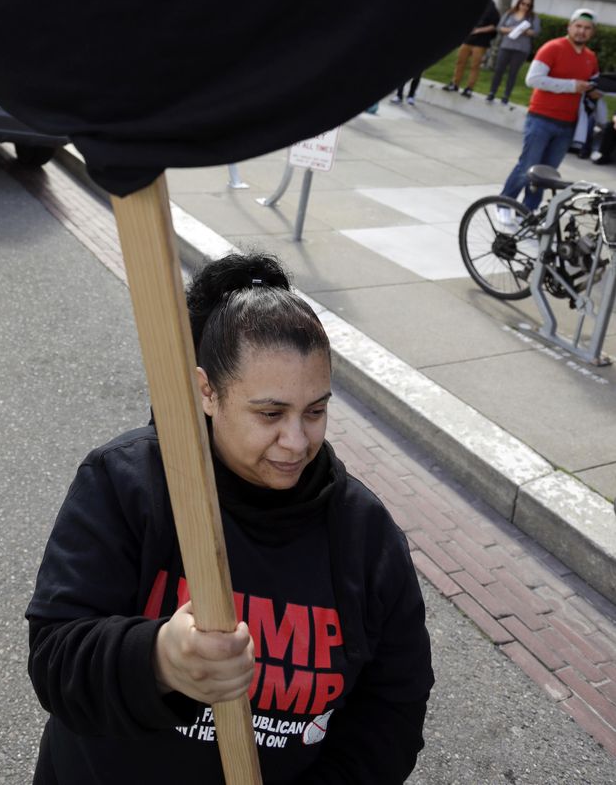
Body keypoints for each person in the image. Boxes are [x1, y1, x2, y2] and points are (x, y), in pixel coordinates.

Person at [26, 252, 434, 785]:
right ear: (207, 392)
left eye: (315, 411)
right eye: (270, 414)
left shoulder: (365, 536)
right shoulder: (129, 484)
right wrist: (161, 660)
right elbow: (56, 660)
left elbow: (392, 710)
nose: (297, 440)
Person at [498, 8, 599, 219]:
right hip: (541, 119)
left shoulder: (591, 57)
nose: (581, 31)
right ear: (569, 27)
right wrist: (571, 86)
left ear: (592, 32)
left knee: (546, 173)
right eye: (578, 26)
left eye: (587, 28)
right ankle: (504, 205)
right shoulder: (552, 48)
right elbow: (532, 79)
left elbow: (591, 85)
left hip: (568, 124)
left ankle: (528, 212)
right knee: (527, 166)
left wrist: (594, 92)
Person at [485, 0, 541, 105]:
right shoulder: (510, 13)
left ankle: (506, 96)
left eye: (528, 5)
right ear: (519, 2)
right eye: (523, 3)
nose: (524, 6)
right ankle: (492, 92)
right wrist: (510, 29)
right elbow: (500, 27)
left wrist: (524, 31)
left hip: (521, 49)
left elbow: (536, 32)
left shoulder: (533, 17)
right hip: (506, 46)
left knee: (513, 73)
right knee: (499, 70)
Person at [442, 0, 500, 97]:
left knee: (474, 66)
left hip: (481, 43)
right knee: (460, 62)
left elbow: (493, 27)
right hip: (468, 39)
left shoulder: (493, 10)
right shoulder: (474, 5)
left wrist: (478, 30)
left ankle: (469, 88)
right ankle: (454, 84)